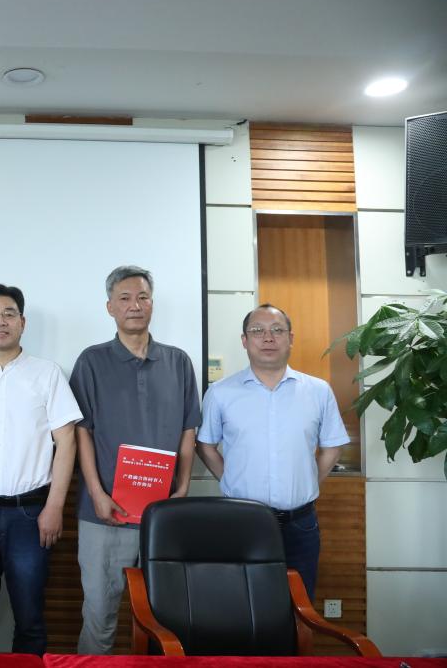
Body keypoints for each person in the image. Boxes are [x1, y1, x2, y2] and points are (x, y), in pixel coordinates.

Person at [69, 265, 201, 655]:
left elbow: (188, 430)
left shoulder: (178, 362)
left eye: (143, 297)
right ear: (110, 307)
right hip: (106, 514)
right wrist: (97, 494)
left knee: (166, 618)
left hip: (164, 515)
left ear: (152, 304)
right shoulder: (91, 361)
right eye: (125, 298)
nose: (135, 305)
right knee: (100, 616)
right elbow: (82, 432)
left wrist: (182, 489)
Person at [0, 284, 80, 656]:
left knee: (30, 616)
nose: (0, 322)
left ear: (22, 322)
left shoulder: (47, 374)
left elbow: (67, 442)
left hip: (29, 514)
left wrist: (54, 507)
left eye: (8, 314)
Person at [196, 304, 348, 600]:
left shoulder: (318, 391)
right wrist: (230, 479)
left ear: (291, 338)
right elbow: (205, 446)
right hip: (242, 521)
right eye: (257, 331)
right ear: (244, 340)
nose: (268, 338)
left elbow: (332, 447)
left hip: (300, 523)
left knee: (299, 606)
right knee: (243, 604)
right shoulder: (220, 393)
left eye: (277, 330)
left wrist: (307, 482)